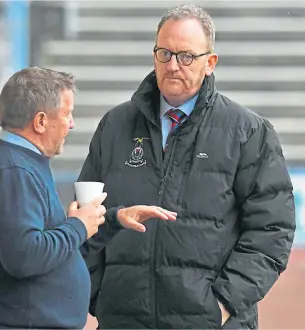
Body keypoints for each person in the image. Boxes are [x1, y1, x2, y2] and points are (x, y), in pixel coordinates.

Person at [78, 4, 296, 329]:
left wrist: (222, 305)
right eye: (164, 53)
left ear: (210, 62)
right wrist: (99, 297)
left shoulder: (248, 132)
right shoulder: (115, 125)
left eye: (186, 56)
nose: (173, 65)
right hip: (123, 320)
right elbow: (87, 214)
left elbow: (272, 230)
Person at [0, 67, 176, 329]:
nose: (71, 123)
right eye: (66, 114)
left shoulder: (21, 163)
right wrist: (77, 226)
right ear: (40, 122)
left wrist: (112, 219)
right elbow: (25, 257)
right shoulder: (12, 171)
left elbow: (52, 250)